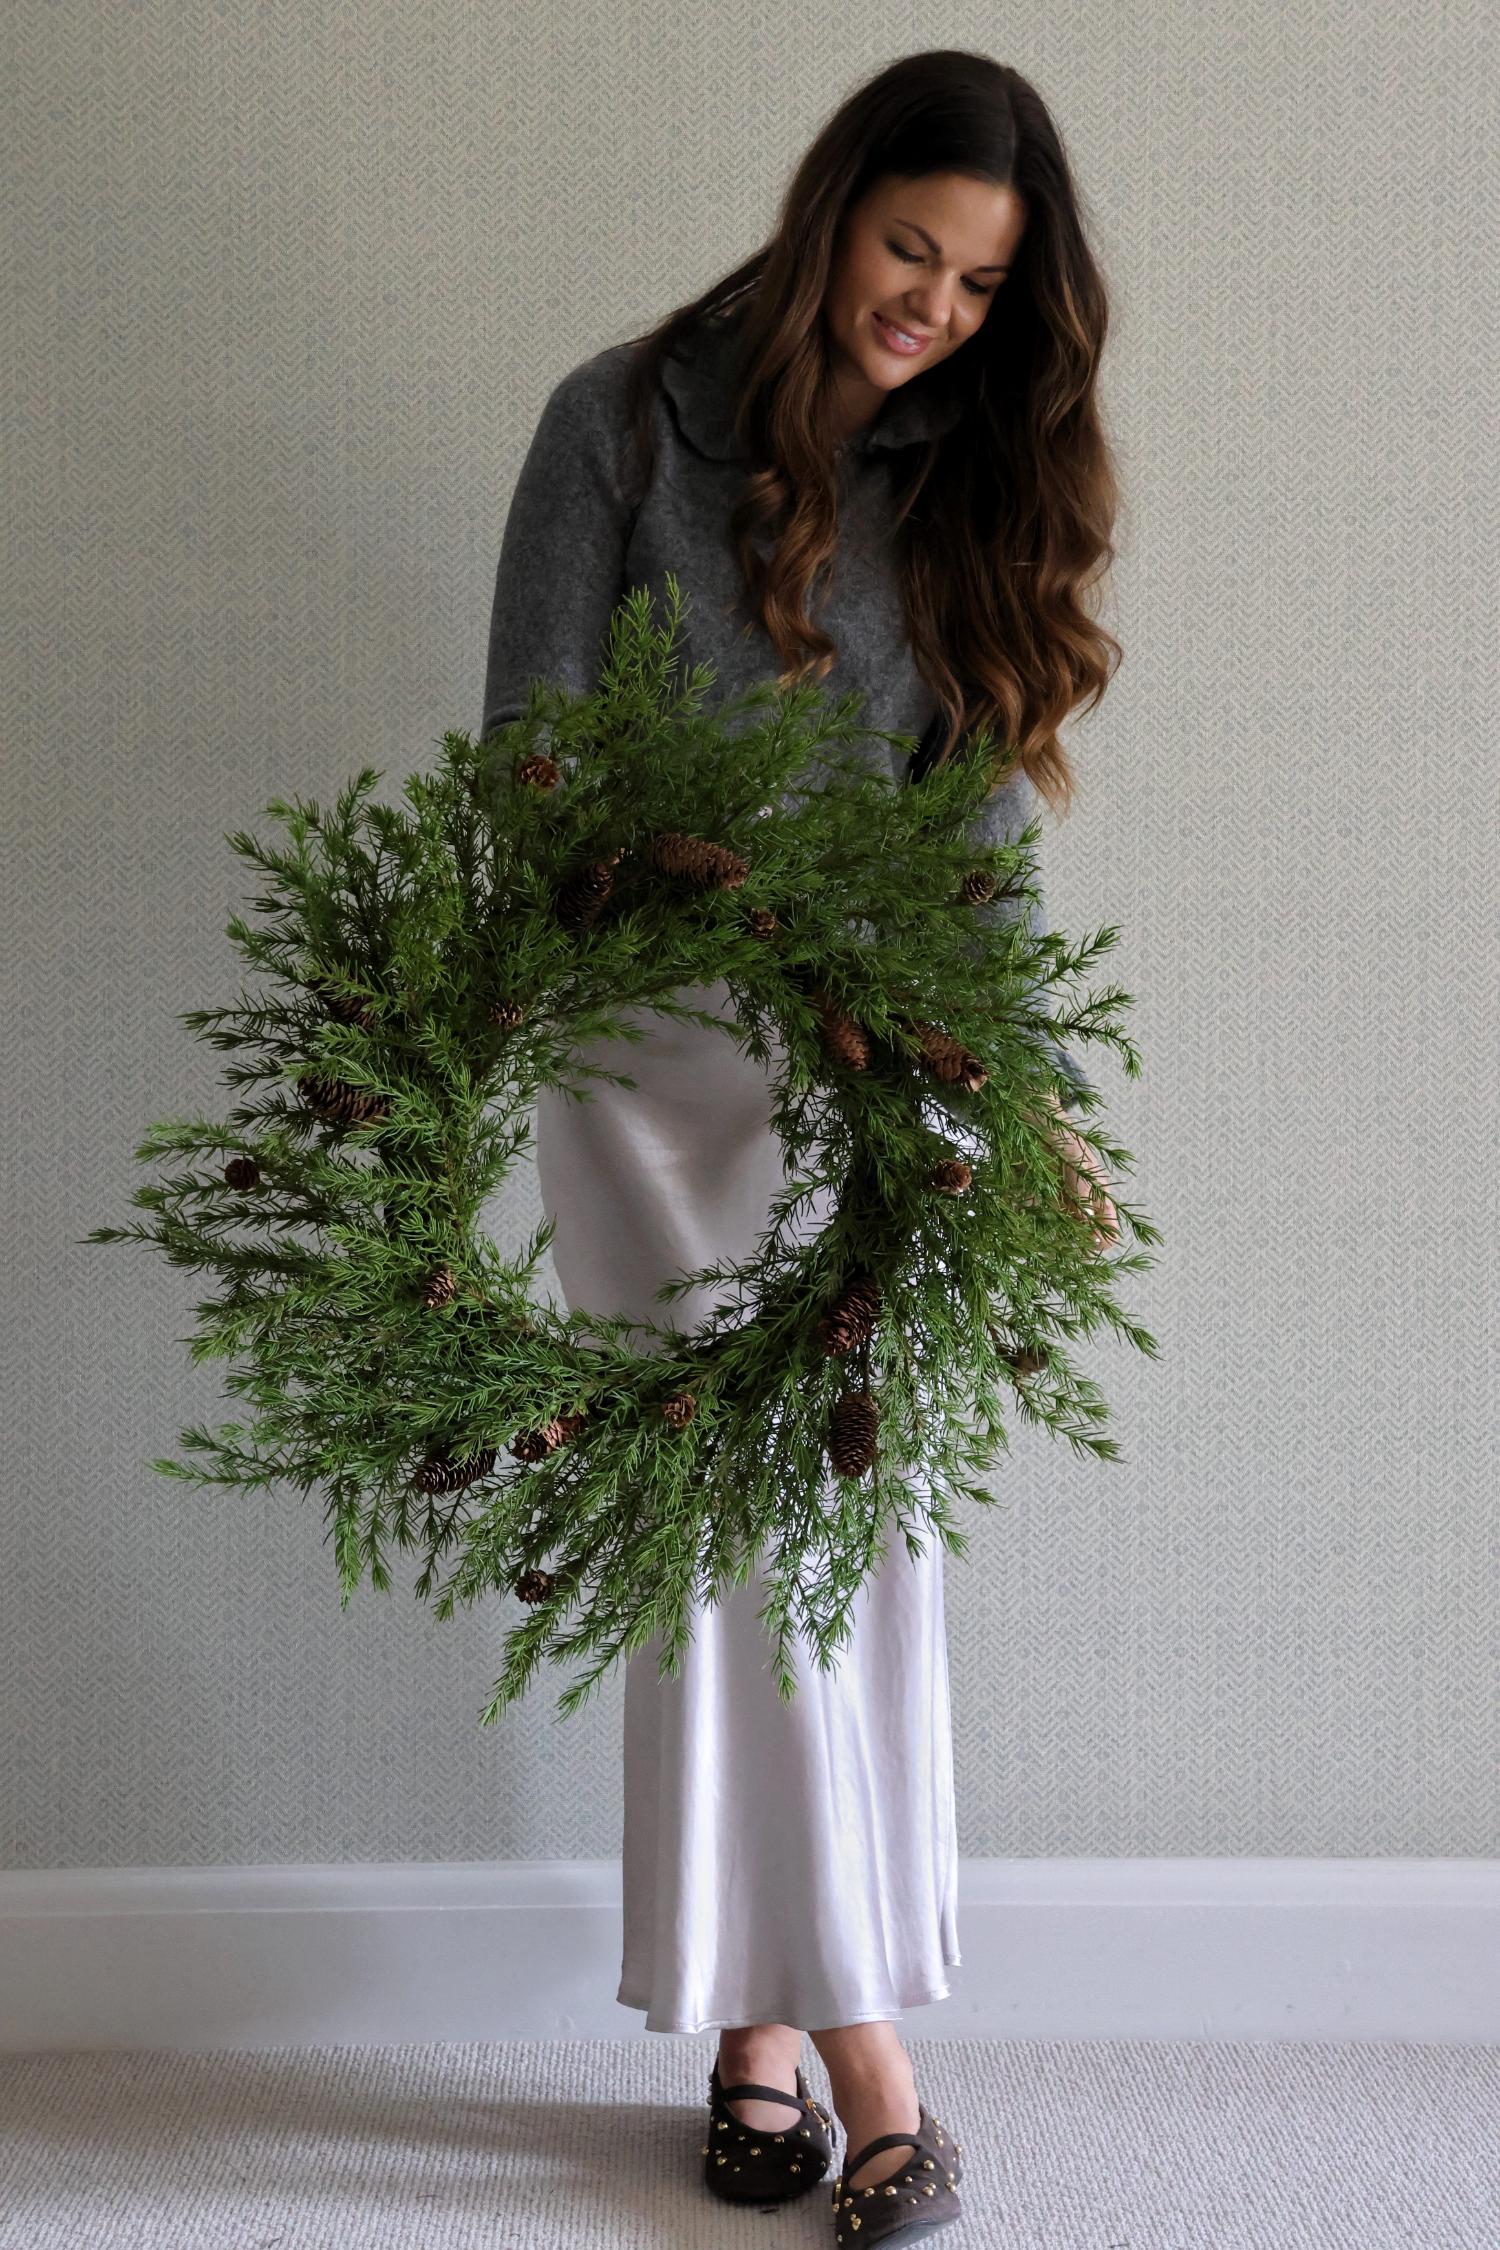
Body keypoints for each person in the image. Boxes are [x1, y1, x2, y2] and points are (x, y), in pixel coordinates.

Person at [479, 48, 1121, 2244]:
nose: (933, 305)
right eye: (908, 250)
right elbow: (530, 758)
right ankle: (873, 2063)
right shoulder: (618, 422)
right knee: (747, 1543)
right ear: (833, 208)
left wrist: (1021, 1086)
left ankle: (753, 2030)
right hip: (655, 1060)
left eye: (980, 282)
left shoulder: (965, 473)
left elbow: (975, 832)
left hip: (874, 1056)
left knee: (841, 1552)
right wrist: (699, 900)